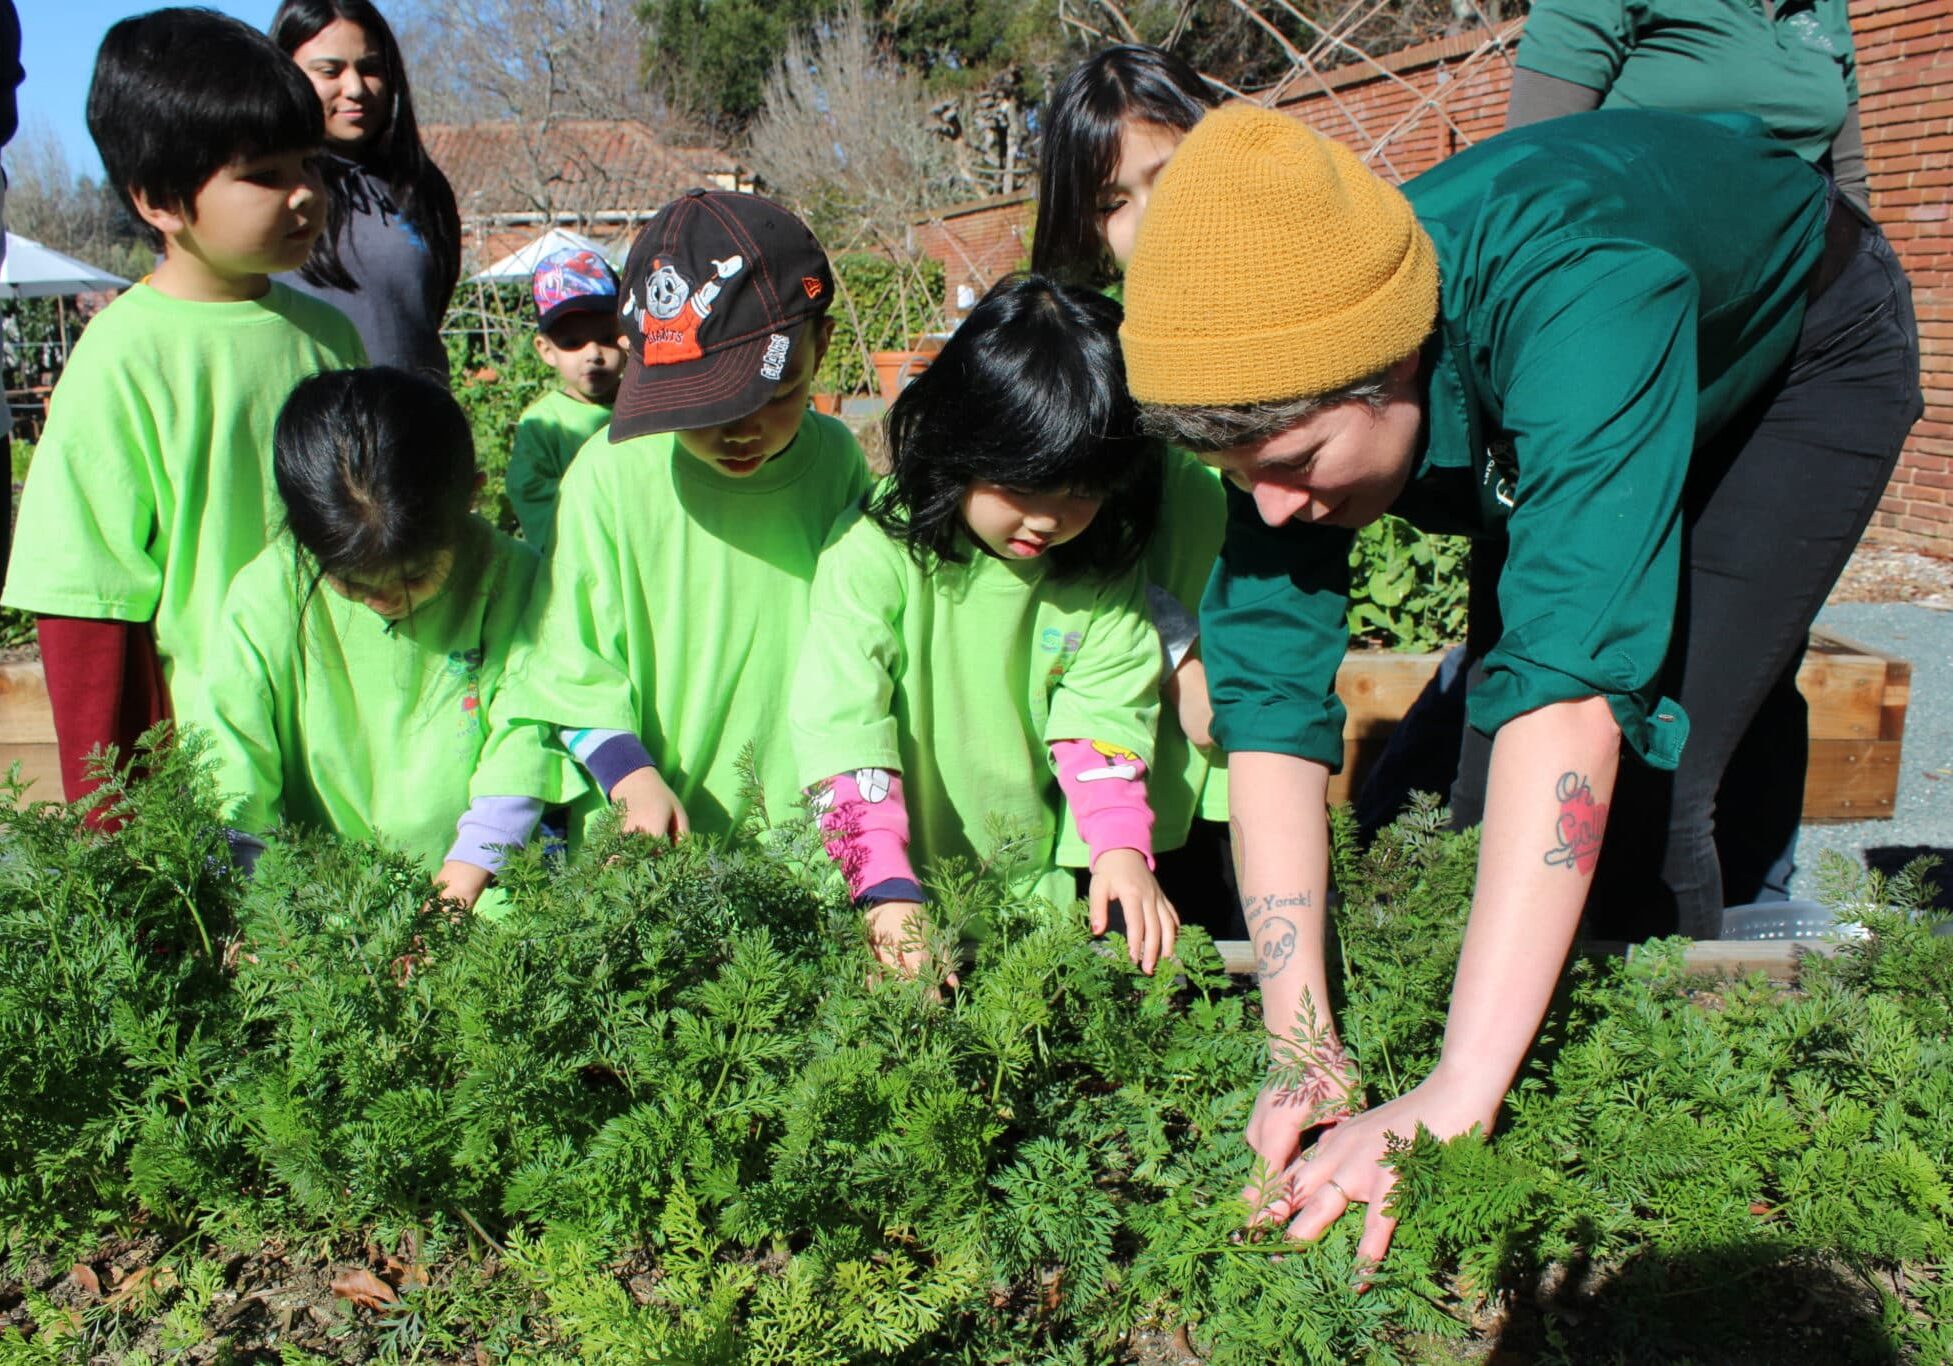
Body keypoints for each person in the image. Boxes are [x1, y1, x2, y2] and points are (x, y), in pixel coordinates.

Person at [1119, 104, 1920, 1266]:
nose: (1275, 508)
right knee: (1499, 772)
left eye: (1293, 465)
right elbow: (1270, 714)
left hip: (1794, 352)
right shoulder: (1295, 380)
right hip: (1568, 382)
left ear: (1396, 358)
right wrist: (1302, 1044)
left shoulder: (1573, 294)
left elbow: (1577, 703)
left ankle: (1643, 1151)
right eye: (1240, 479)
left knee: (1648, 772)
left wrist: (1451, 1094)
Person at [1, 8, 365, 806]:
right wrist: (122, 826)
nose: (305, 195)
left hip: (355, 750)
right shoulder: (121, 358)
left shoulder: (333, 337)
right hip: (213, 772)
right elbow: (86, 607)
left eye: (310, 163)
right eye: (265, 174)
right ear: (160, 200)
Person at [791, 276, 1180, 978]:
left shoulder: (1097, 564)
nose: (1047, 518)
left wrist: (1120, 848)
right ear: (957, 443)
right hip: (873, 899)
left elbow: (1105, 712)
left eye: (1082, 493)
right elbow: (841, 725)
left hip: (1025, 902)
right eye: (1022, 486)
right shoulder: (874, 551)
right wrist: (880, 886)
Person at [499, 189, 870, 842]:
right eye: (700, 407)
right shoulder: (608, 477)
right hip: (653, 834)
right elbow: (565, 667)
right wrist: (627, 775)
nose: (739, 431)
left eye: (774, 393)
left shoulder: (836, 462)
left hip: (810, 828)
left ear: (822, 344)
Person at [186, 368, 581, 908]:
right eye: (350, 582)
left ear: (471, 499)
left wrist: (458, 887)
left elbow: (523, 738)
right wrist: (255, 906)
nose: (384, 601)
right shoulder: (267, 593)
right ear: (304, 535)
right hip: (321, 909)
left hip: (483, 893)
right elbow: (234, 767)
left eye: (415, 577)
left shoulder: (508, 578)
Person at [1030, 45, 1238, 935]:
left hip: (1242, 707)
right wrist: (1182, 654)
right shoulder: (1089, 355)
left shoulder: (1274, 319)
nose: (1150, 221)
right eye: (1114, 202)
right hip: (1117, 720)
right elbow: (1056, 549)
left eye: (1171, 176)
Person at [271, 0, 460, 384]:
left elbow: (429, 308)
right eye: (330, 71)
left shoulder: (421, 186)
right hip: (304, 434)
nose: (355, 88)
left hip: (416, 429)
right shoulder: (259, 189)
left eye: (371, 69)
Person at [507, 247, 624, 552]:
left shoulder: (648, 405)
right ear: (546, 350)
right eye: (573, 343)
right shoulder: (542, 423)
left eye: (606, 338)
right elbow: (530, 494)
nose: (594, 355)